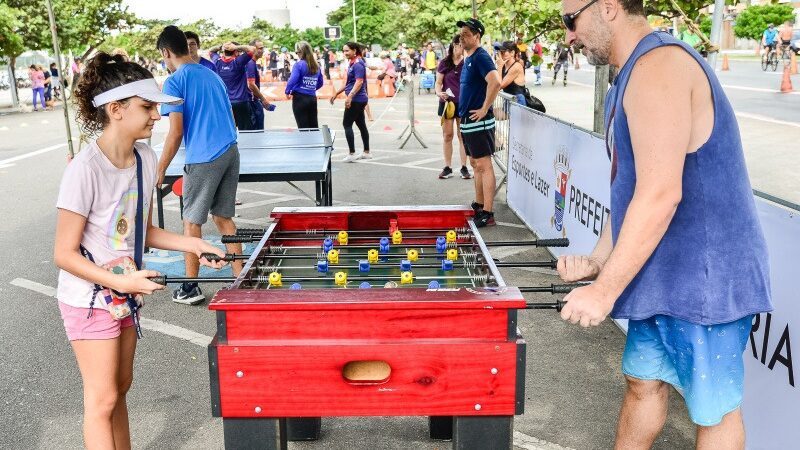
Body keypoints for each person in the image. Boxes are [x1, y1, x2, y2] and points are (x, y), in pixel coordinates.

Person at [559, 1, 773, 449]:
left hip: (707, 277)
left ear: (608, 8)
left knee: (712, 410)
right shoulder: (630, 74)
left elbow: (660, 194)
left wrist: (605, 291)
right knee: (642, 383)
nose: (568, 37)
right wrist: (600, 260)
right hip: (662, 271)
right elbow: (631, 191)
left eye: (570, 21)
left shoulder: (659, 66)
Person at [56, 51, 226, 449]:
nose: (157, 116)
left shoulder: (144, 158)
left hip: (123, 293)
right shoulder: (85, 168)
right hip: (88, 297)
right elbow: (64, 254)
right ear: (115, 109)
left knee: (121, 388)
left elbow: (143, 231)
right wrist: (124, 279)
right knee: (102, 400)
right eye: (147, 107)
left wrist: (194, 243)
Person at [156, 25, 245, 304]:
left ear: (166, 52)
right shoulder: (211, 74)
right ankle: (241, 279)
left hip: (204, 157)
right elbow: (230, 117)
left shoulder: (174, 80)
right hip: (230, 150)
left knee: (191, 222)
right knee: (222, 218)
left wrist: (159, 170)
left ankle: (190, 288)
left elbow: (176, 131)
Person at [456, 18, 501, 228]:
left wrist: (484, 108)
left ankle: (488, 212)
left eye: (467, 34)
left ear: (477, 36)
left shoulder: (482, 56)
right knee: (475, 164)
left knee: (483, 165)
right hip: (467, 121)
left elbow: (495, 81)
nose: (462, 37)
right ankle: (480, 204)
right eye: (461, 34)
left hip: (478, 122)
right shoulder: (468, 58)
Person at [435, 34, 470, 181]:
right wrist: (439, 93)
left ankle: (464, 167)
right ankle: (448, 167)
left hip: (462, 103)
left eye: (463, 45)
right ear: (453, 45)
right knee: (447, 135)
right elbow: (438, 83)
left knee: (462, 135)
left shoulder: (467, 63)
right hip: (447, 103)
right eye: (459, 45)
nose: (461, 48)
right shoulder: (444, 62)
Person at [330, 42, 371, 162]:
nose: (345, 53)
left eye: (347, 51)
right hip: (358, 99)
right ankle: (366, 152)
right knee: (361, 125)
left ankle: (352, 153)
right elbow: (349, 83)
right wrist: (337, 93)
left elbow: (359, 82)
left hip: (357, 100)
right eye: (344, 51)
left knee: (347, 124)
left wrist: (350, 97)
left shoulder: (358, 64)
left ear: (354, 51)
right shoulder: (352, 63)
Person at [209, 41, 255, 130]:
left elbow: (211, 51)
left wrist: (221, 46)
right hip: (241, 102)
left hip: (224, 103)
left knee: (227, 130)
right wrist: (236, 47)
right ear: (235, 51)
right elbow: (252, 49)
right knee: (246, 132)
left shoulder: (217, 61)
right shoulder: (238, 62)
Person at [286, 41, 324, 129]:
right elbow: (321, 82)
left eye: (297, 52)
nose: (296, 55)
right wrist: (311, 88)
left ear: (301, 52)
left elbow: (292, 80)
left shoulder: (299, 64)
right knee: (314, 127)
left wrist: (287, 91)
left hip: (300, 98)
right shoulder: (316, 65)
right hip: (312, 98)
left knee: (303, 127)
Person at [246, 39, 272, 131]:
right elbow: (251, 85)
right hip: (252, 102)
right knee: (257, 132)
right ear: (253, 49)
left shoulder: (251, 62)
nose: (263, 50)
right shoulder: (250, 63)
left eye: (263, 48)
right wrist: (263, 99)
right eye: (260, 48)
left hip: (253, 101)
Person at [498, 41, 527, 105]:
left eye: (503, 51)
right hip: (508, 99)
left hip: (518, 101)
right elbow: (495, 81)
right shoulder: (504, 65)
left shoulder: (516, 66)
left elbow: (499, 86)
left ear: (512, 53)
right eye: (500, 52)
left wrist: (499, 66)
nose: (500, 54)